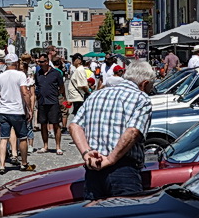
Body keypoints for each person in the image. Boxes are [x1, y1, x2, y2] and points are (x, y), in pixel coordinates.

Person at [69, 59, 156, 198]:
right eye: (151, 86)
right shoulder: (141, 98)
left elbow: (74, 126)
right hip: (123, 169)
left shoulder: (96, 95)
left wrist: (86, 153)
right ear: (144, 84)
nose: (151, 90)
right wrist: (110, 159)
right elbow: (133, 131)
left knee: (96, 217)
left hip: (94, 167)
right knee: (125, 217)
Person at [0, 54, 34, 175]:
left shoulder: (0, 76)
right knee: (22, 137)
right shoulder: (20, 75)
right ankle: (24, 163)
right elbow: (25, 93)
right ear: (16, 63)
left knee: (4, 138)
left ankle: (1, 165)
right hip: (17, 110)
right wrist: (29, 109)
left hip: (4, 110)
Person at [34, 53, 65, 154]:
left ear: (47, 62)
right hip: (42, 102)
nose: (39, 63)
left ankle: (58, 147)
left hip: (53, 102)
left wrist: (57, 95)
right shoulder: (38, 74)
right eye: (39, 62)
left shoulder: (56, 73)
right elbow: (37, 86)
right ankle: (45, 145)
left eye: (41, 62)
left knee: (56, 124)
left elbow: (61, 87)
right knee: (43, 124)